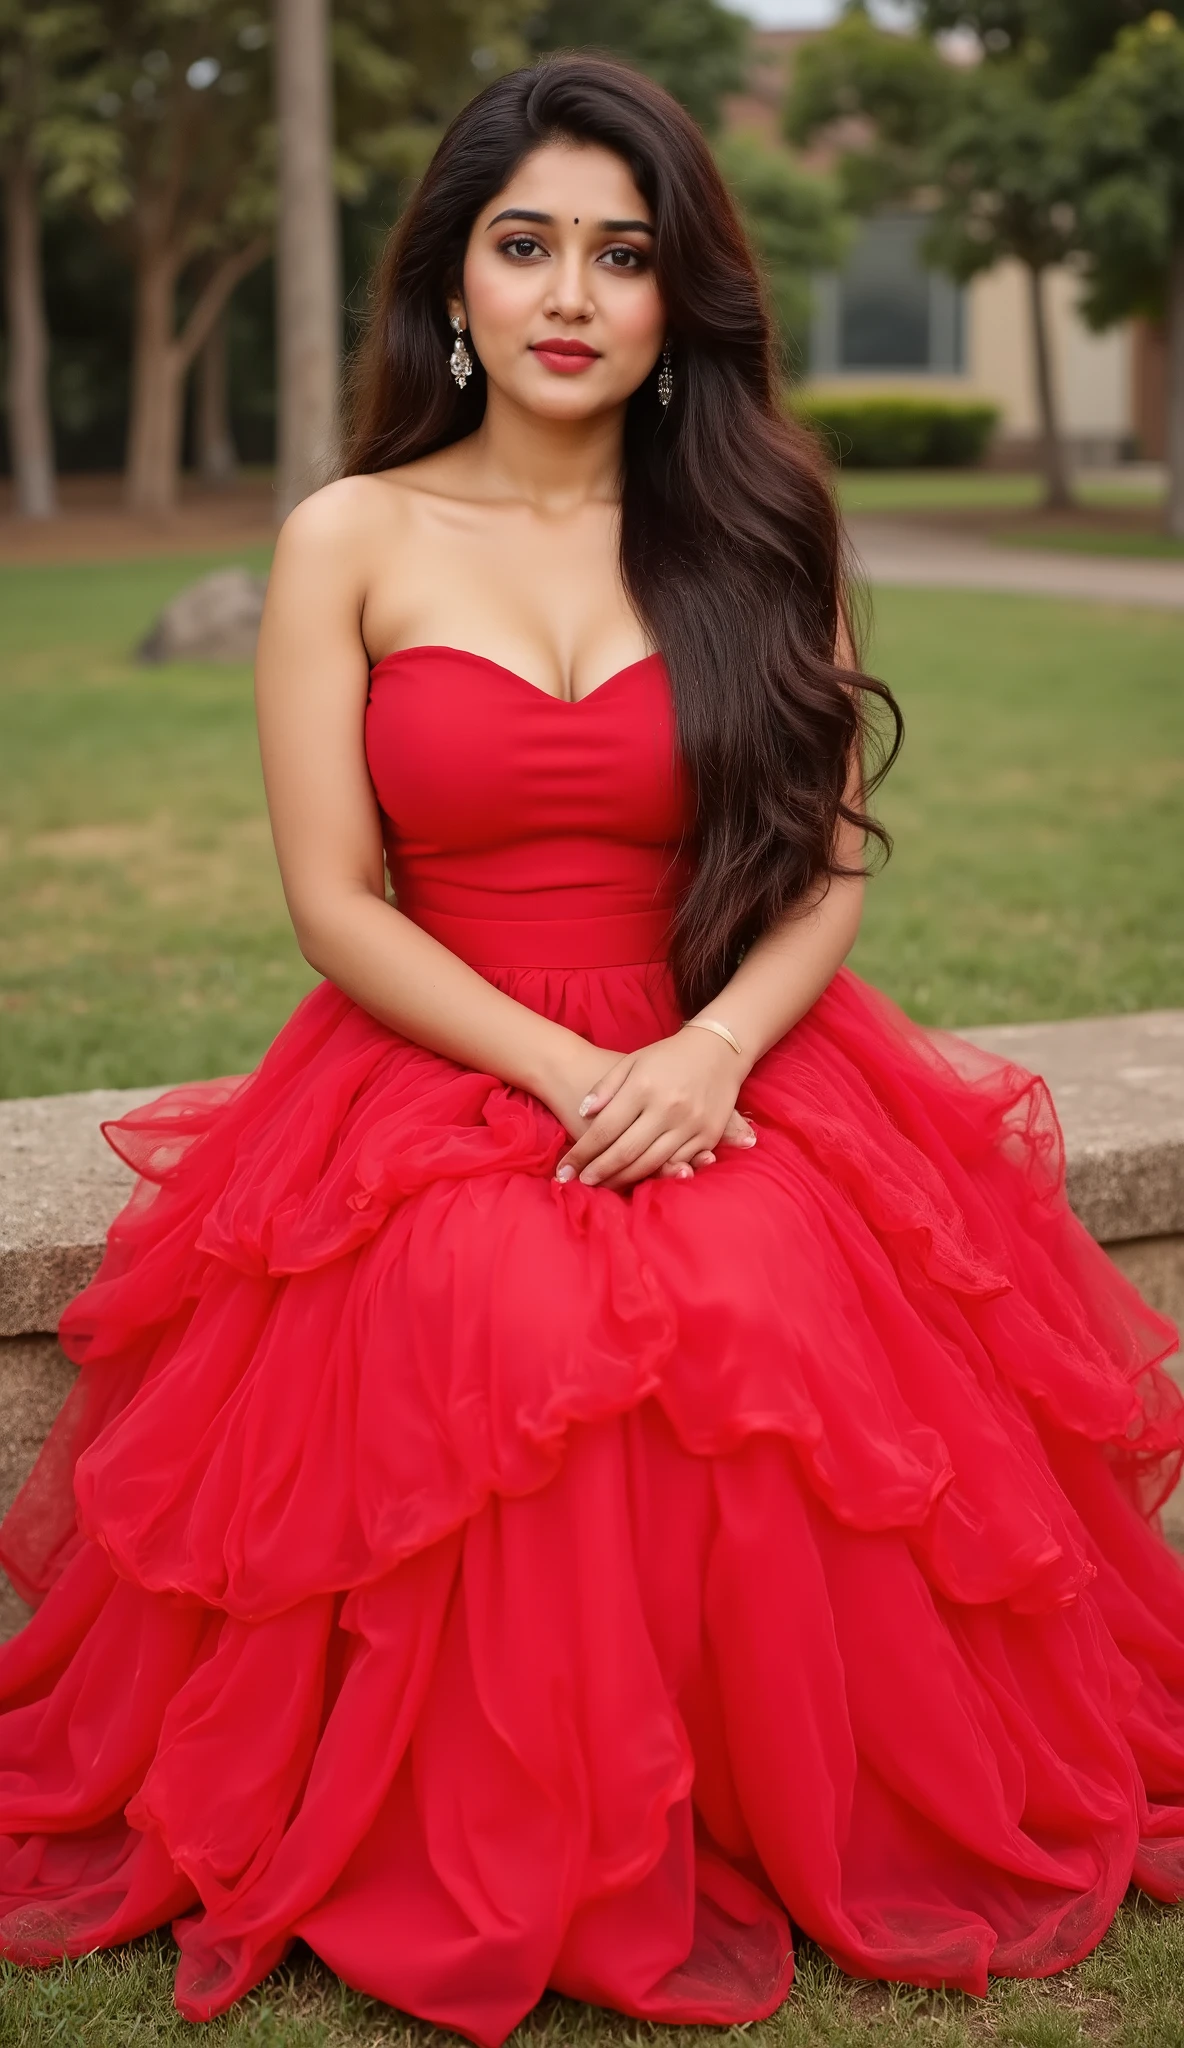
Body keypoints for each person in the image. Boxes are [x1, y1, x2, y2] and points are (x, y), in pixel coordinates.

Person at [2, 53, 1183, 2047]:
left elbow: (822, 871)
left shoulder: (746, 518)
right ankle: (523, 1829)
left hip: (721, 1045)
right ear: (450, 284)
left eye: (620, 256)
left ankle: (769, 1806)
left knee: (764, 1311)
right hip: (435, 1051)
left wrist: (710, 1052)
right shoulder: (349, 536)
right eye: (522, 244)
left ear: (675, 296)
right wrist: (561, 1079)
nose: (568, 294)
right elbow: (338, 900)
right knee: (504, 1321)